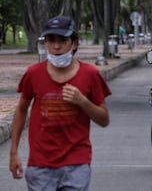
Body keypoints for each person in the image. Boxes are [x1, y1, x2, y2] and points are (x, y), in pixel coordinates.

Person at [9, 15, 112, 190]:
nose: (56, 46)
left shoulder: (90, 74)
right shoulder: (33, 74)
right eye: (51, 40)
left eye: (63, 40)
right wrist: (14, 152)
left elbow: (104, 120)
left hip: (77, 162)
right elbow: (21, 110)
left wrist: (82, 101)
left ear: (74, 43)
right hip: (40, 164)